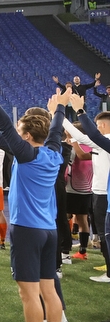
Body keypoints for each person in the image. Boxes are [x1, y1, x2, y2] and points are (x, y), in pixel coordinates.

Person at [0, 71, 67, 322]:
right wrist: (60, 108)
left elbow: (3, 125)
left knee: (28, 293)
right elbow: (54, 129)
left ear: (27, 137)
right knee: (48, 289)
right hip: (48, 231)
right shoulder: (54, 152)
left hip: (27, 230)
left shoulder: (26, 155)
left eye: (20, 131)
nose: (15, 134)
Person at [63, 116, 110, 282]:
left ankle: (108, 271)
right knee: (94, 225)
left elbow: (82, 152)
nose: (96, 129)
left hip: (94, 191)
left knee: (103, 231)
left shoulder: (102, 141)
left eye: (98, 126)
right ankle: (101, 260)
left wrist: (60, 115)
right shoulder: (99, 143)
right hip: (94, 190)